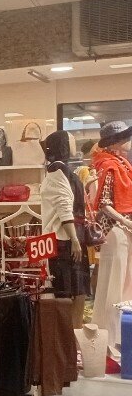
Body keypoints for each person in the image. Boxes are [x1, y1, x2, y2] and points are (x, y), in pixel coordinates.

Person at [89, 121, 132, 358]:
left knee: (125, 283)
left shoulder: (122, 164)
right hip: (116, 230)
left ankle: (120, 338)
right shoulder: (108, 166)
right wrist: (126, 221)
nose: (128, 141)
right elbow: (104, 204)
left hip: (125, 228)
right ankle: (109, 339)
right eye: (125, 137)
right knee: (114, 283)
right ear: (116, 142)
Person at [39, 130, 89, 327]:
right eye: (70, 139)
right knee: (68, 289)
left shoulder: (59, 170)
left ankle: (72, 334)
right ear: (63, 145)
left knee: (75, 288)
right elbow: (63, 206)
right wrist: (75, 239)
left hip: (68, 237)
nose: (74, 142)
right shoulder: (58, 170)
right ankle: (68, 334)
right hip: (65, 239)